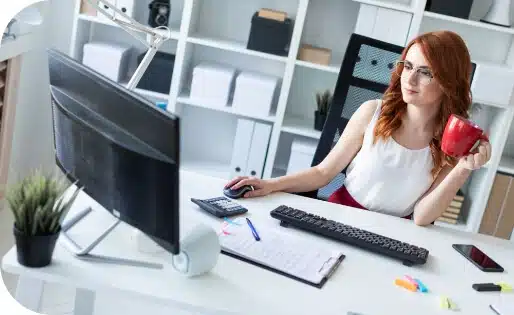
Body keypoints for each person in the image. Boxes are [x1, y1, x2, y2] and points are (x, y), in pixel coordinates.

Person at [224, 30, 491, 226]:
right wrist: (270, 184)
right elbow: (323, 172)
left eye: (425, 72)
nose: (409, 78)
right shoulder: (372, 112)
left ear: (447, 82)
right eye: (407, 66)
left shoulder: (450, 145)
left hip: (395, 232)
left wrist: (463, 168)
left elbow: (422, 218)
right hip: (340, 215)